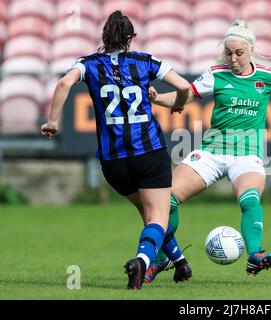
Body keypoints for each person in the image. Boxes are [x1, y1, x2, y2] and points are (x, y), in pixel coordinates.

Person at [144, 20, 271, 281]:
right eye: (229, 53)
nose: (232, 58)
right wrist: (156, 99)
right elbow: (185, 97)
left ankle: (255, 254)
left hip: (247, 154)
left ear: (251, 50)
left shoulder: (268, 77)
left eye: (239, 53)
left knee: (250, 199)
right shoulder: (216, 74)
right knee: (167, 200)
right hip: (212, 151)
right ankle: (162, 258)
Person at [41, 11, 193, 290]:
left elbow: (63, 83)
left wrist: (53, 121)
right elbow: (183, 86)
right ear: (131, 38)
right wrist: (177, 104)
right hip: (148, 153)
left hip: (113, 161)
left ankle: (180, 261)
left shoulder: (88, 63)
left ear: (103, 37)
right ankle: (142, 263)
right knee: (158, 216)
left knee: (149, 216)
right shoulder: (145, 61)